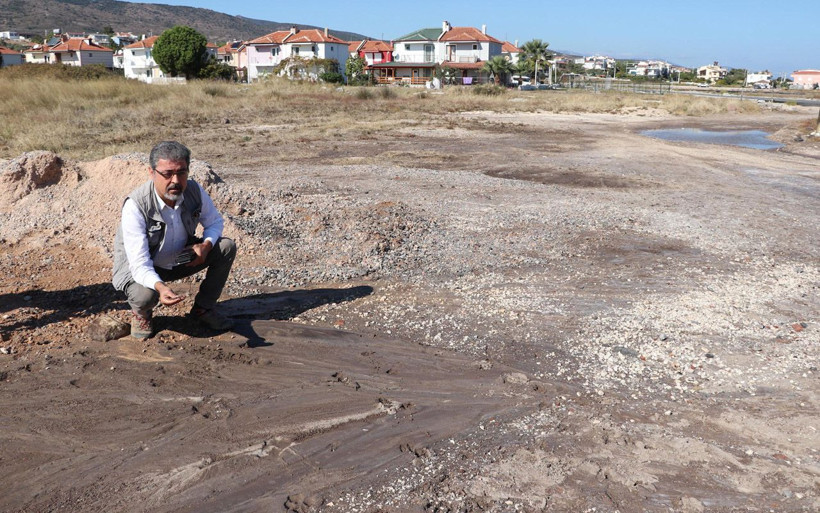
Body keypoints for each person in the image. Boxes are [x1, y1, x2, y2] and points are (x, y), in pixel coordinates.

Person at [112, 141, 236, 339]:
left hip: (178, 257)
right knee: (145, 296)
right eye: (167, 174)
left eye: (181, 172)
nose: (176, 180)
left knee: (225, 247)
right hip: (141, 267)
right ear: (152, 172)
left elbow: (214, 222)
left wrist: (206, 245)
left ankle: (203, 309)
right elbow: (139, 264)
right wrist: (160, 287)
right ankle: (141, 313)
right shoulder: (136, 206)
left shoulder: (194, 191)